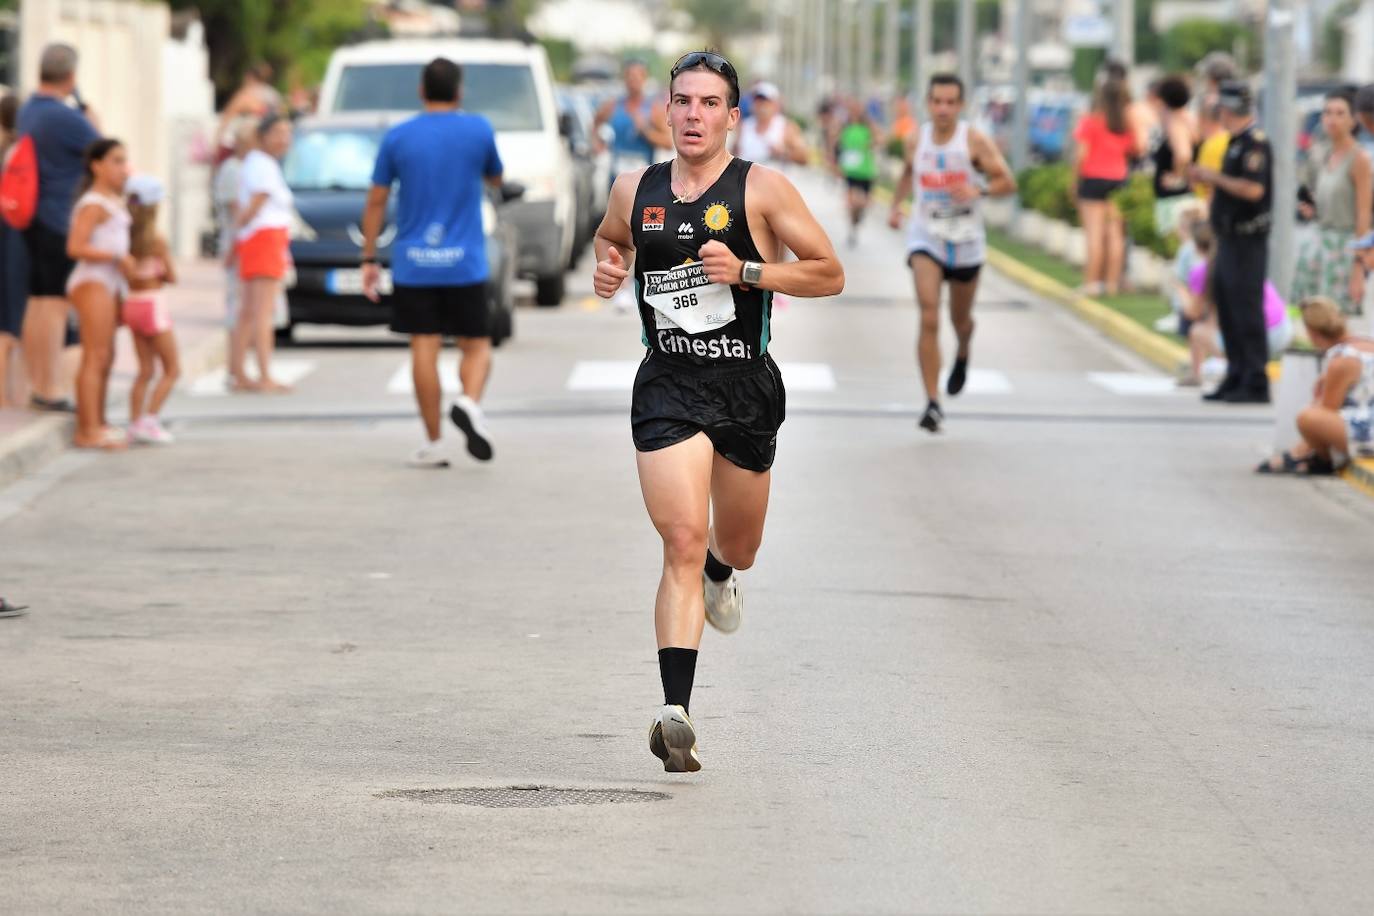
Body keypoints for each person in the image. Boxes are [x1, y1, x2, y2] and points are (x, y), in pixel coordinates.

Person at [591, 50, 843, 773]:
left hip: (744, 389)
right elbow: (611, 243)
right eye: (683, 102)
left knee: (736, 545)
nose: (693, 114)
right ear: (665, 111)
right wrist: (608, 267)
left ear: (732, 116)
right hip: (667, 384)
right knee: (678, 538)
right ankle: (676, 712)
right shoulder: (633, 190)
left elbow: (828, 271)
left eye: (708, 103)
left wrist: (750, 271)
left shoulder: (762, 190)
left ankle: (722, 571)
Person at [361, 57, 504, 468]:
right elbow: (496, 178)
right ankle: (469, 403)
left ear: (422, 91)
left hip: (414, 262)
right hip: (465, 262)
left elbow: (376, 199)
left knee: (423, 346)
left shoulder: (398, 136)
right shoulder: (478, 129)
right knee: (475, 345)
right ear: (459, 92)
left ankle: (434, 441)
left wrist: (369, 256)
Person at [887, 73, 1016, 434]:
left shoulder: (973, 141)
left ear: (960, 106)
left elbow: (1008, 181)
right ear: (928, 104)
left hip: (966, 240)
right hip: (926, 237)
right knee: (929, 314)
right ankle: (932, 402)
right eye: (937, 102)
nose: (943, 109)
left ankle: (963, 347)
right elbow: (908, 173)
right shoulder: (916, 138)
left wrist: (979, 190)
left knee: (960, 319)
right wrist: (896, 206)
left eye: (950, 103)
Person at [17, 43, 101, 413]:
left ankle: (38, 381)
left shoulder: (29, 110)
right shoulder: (66, 118)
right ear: (71, 76)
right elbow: (103, 152)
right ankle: (48, 388)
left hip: (33, 217)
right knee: (53, 304)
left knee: (37, 302)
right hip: (59, 219)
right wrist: (89, 113)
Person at [1189, 81, 1274, 404]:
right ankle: (1236, 373)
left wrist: (1213, 177)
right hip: (1228, 237)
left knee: (1246, 309)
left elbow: (1254, 190)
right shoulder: (1235, 143)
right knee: (1227, 307)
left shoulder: (1256, 144)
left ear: (1227, 110)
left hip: (1248, 239)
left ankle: (1255, 379)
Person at [65, 139, 132, 450]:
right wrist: (115, 258)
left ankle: (99, 422)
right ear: (97, 165)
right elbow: (76, 247)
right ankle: (86, 429)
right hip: (92, 281)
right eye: (116, 161)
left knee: (107, 356)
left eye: (124, 161)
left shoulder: (113, 200)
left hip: (111, 283)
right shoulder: (93, 203)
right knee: (95, 355)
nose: (123, 168)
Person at [1258, 296, 1374, 474]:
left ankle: (1319, 459)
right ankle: (1304, 455)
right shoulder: (1366, 342)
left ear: (1312, 332)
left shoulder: (1343, 359)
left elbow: (1327, 411)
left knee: (1308, 417)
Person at [1179, 220, 1291, 388]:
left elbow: (1193, 313)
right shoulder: (1243, 263)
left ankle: (1198, 375)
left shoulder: (1203, 271)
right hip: (1283, 330)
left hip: (1255, 339)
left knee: (1196, 331)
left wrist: (1180, 290)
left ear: (1196, 246)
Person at [1293, 90, 1372, 315]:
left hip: (1343, 249)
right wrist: (1313, 209)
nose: (1332, 119)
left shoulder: (1359, 158)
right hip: (1320, 243)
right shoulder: (1324, 154)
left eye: (1340, 113)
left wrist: (1359, 267)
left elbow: (1363, 214)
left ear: (1353, 119)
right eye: (1327, 112)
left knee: (1335, 319)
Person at [232, 114, 294, 393]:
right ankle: (264, 374)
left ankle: (239, 372)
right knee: (262, 311)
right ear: (263, 135)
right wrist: (244, 222)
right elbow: (259, 198)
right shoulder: (262, 164)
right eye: (278, 132)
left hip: (259, 237)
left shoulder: (258, 163)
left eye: (287, 132)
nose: (283, 139)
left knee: (248, 310)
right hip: (265, 237)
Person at [122, 175, 180, 445]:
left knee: (144, 370)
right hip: (152, 305)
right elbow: (171, 276)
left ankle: (134, 423)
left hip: (131, 303)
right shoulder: (157, 240)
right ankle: (150, 419)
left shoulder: (124, 237)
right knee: (172, 369)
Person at [1071, 77, 1138, 296]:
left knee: (1094, 235)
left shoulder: (1091, 121)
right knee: (1115, 234)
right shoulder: (1125, 124)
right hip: (1118, 179)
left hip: (1092, 178)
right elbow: (1135, 149)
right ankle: (1111, 285)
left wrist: (1074, 181)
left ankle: (1091, 283)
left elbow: (1081, 155)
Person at [215, 122, 255, 381]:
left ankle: (240, 364)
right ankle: (235, 367)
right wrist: (234, 248)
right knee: (238, 307)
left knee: (247, 307)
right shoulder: (233, 169)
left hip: (246, 243)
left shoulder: (249, 167)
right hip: (238, 245)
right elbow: (235, 212)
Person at [594, 60, 671, 184]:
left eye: (637, 76)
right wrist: (597, 143)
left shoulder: (653, 108)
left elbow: (668, 143)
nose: (632, 80)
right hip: (616, 178)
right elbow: (596, 122)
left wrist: (646, 131)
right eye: (629, 76)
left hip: (643, 181)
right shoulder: (613, 105)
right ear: (624, 78)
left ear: (644, 78)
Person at [0, 91, 29, 407]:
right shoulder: (19, 156)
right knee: (10, 329)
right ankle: (10, 400)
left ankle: (7, 400)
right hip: (13, 240)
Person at [1149, 75, 1197, 238]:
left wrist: (1178, 177)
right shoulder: (1190, 118)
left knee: (1174, 241)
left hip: (1173, 198)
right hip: (1184, 194)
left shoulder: (1175, 124)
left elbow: (1183, 154)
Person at [215, 63, 283, 165]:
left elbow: (227, 117)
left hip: (240, 145)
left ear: (249, 76)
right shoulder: (273, 95)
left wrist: (216, 141)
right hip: (262, 145)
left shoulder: (246, 94)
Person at [836, 96, 880, 247]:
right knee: (852, 201)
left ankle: (858, 217)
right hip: (850, 171)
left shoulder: (867, 126)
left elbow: (879, 138)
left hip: (865, 170)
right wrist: (836, 164)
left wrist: (871, 143)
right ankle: (852, 229)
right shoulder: (845, 126)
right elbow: (837, 143)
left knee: (863, 203)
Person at [732, 82, 808, 167]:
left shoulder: (786, 127)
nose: (761, 105)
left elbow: (804, 158)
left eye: (765, 101)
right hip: (746, 178)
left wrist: (783, 153)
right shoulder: (744, 126)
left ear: (775, 104)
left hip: (773, 178)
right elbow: (733, 155)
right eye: (757, 100)